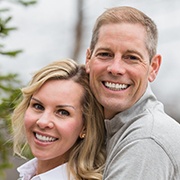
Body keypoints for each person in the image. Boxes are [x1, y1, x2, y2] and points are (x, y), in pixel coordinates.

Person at [85, 6, 180, 180]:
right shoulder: (104, 129)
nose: (115, 68)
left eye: (132, 58)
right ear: (88, 60)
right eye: (105, 54)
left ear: (153, 67)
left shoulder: (147, 140)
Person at [12, 59, 106, 180]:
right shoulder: (27, 174)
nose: (43, 122)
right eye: (38, 106)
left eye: (62, 112)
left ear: (85, 127)